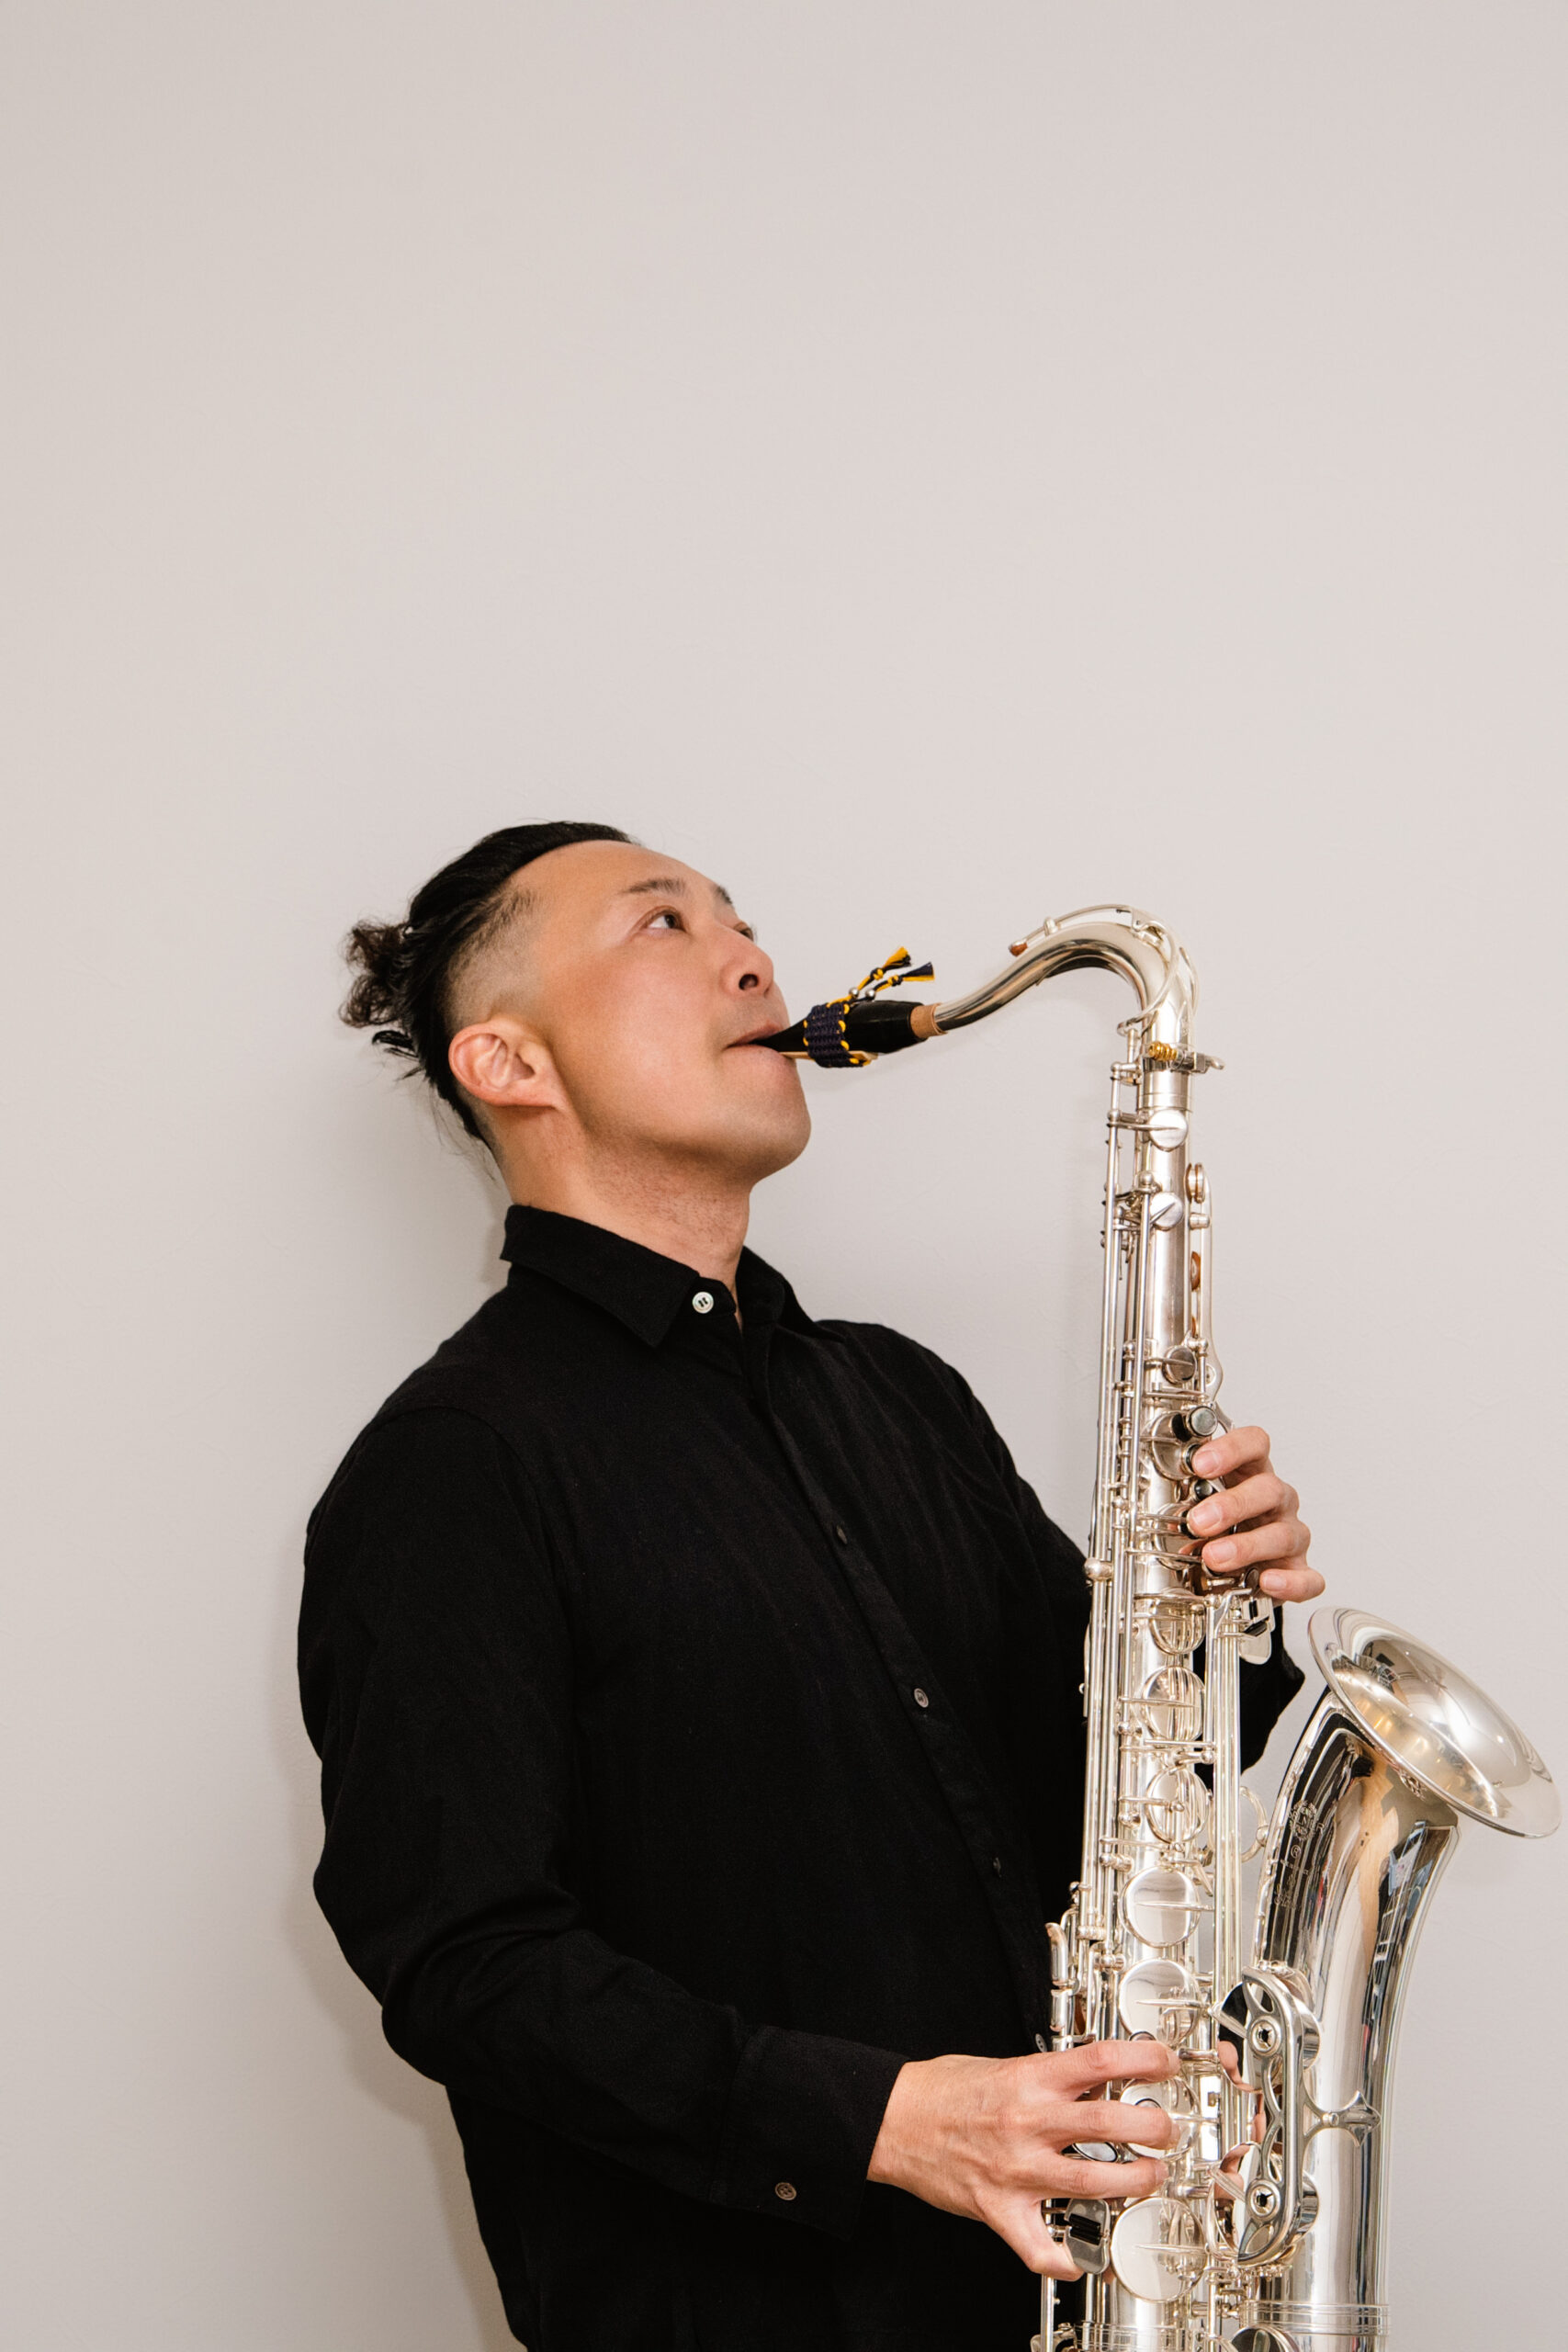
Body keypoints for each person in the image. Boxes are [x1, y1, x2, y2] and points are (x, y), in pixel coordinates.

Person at [299, 821, 1321, 2351]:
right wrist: (886, 2122)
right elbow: (465, 1964)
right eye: (662, 924)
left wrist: (1215, 1604)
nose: (750, 957)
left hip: (1073, 2294)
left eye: (738, 917)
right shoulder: (455, 1464)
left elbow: (1128, 1779)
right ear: (507, 1062)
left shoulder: (900, 1397)